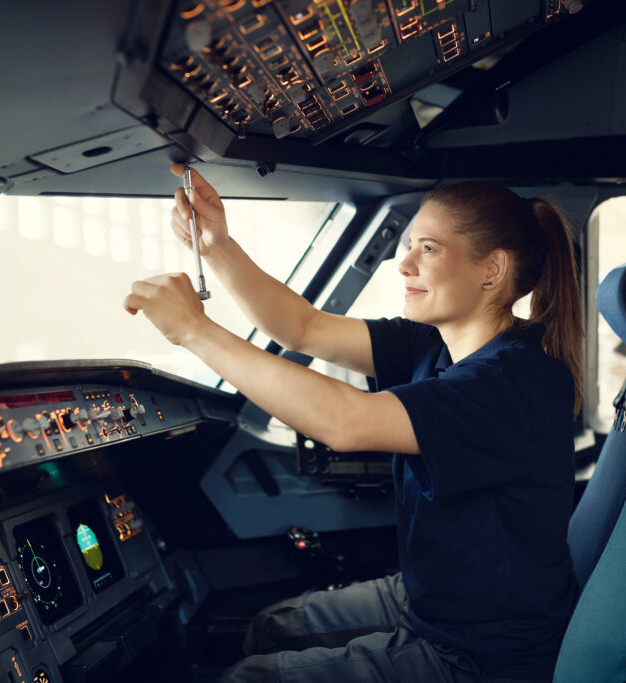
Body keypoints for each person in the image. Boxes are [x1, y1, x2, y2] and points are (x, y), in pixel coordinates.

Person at [123, 166, 583, 683]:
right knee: (272, 628)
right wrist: (217, 245)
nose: (402, 263)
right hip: (438, 600)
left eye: (427, 249)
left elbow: (345, 422)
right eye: (408, 245)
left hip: (484, 656)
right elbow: (303, 327)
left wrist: (193, 331)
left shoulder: (512, 384)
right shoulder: (436, 345)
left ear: (492, 271)